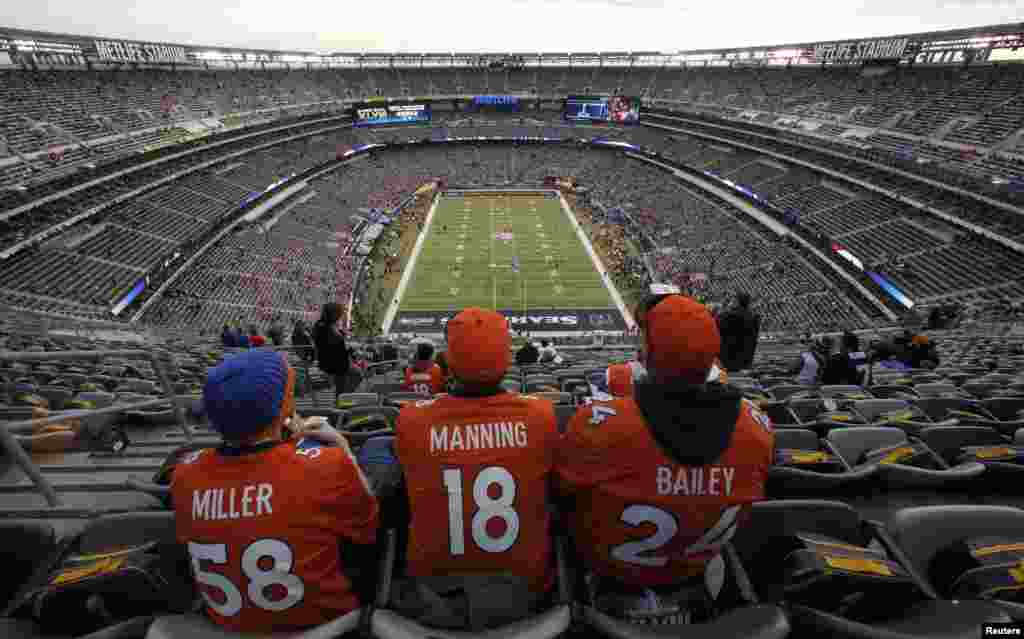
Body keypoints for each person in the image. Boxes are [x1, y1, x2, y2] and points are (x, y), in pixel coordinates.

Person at [555, 295, 773, 620]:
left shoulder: (599, 425)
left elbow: (563, 497)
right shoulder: (758, 428)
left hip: (609, 584)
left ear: (647, 352)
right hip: (699, 581)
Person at [171, 350, 379, 633]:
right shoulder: (326, 465)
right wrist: (343, 449)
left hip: (227, 629)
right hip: (327, 627)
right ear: (282, 410)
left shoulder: (184, 473)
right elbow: (370, 530)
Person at [392, 308, 560, 627]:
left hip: (435, 599)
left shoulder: (413, 419)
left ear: (449, 361)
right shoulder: (541, 415)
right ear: (506, 359)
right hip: (527, 596)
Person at [717, 292, 760, 373]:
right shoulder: (754, 317)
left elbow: (716, 329)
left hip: (726, 360)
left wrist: (724, 309)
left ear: (737, 302)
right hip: (746, 360)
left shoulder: (727, 316)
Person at [314, 303, 352, 397]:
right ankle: (342, 398)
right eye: (339, 314)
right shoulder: (330, 330)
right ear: (334, 314)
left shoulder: (319, 324)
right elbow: (341, 349)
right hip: (332, 364)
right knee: (356, 372)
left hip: (323, 360)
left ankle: (342, 396)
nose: (340, 316)